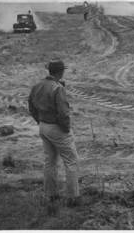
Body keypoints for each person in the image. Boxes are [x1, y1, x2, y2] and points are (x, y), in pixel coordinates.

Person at [28, 59, 80, 207]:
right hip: (56, 128)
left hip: (43, 126)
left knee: (49, 161)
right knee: (71, 161)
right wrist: (66, 129)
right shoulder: (57, 88)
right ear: (61, 72)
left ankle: (50, 195)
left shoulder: (38, 85)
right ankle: (72, 198)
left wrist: (39, 120)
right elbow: (63, 113)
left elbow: (31, 105)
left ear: (49, 71)